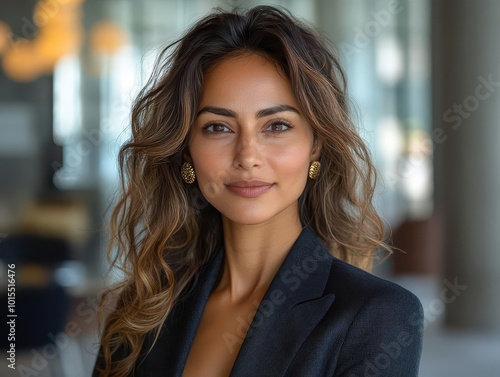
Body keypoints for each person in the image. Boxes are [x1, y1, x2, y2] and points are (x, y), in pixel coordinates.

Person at [93, 5, 424, 377]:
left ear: (315, 147)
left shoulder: (378, 316)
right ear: (186, 150)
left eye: (277, 126)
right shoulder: (142, 309)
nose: (247, 156)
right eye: (218, 128)